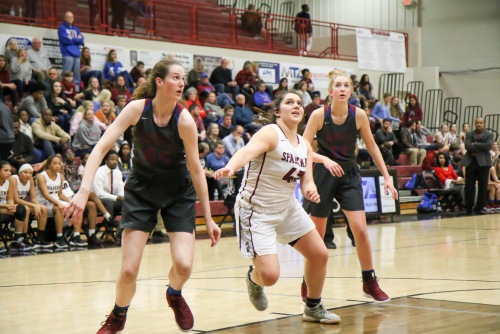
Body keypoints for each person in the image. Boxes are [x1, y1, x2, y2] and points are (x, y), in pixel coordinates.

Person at [63, 59, 221, 333]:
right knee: (128, 271)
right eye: (176, 77)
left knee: (183, 266)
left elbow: (196, 171)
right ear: (159, 81)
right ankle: (118, 315)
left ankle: (174, 294)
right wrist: (83, 190)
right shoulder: (137, 109)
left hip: (177, 192)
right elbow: (100, 148)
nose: (182, 83)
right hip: (141, 190)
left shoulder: (184, 120)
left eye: (183, 78)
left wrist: (208, 218)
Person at [214, 91, 340, 324]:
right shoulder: (270, 133)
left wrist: (310, 189)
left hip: (287, 208)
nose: (296, 106)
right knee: (270, 276)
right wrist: (231, 167)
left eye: (299, 103)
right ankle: (254, 279)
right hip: (256, 211)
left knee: (319, 254)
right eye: (289, 102)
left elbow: (307, 179)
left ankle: (312, 307)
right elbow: (246, 151)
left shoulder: (304, 144)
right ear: (277, 111)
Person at [302, 70, 398, 303]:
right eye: (338, 85)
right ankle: (306, 282)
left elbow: (373, 147)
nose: (342, 89)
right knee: (318, 236)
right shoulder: (318, 115)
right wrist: (309, 180)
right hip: (324, 174)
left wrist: (386, 176)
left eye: (346, 85)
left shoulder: (359, 115)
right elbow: (302, 147)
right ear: (330, 91)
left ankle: (369, 280)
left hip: (349, 174)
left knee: (361, 230)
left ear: (351, 91)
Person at [11, 163, 51, 248]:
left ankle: (39, 238)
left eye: (30, 173)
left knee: (43, 208)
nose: (28, 175)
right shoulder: (14, 179)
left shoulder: (30, 180)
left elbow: (33, 197)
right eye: (25, 172)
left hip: (22, 204)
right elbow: (16, 199)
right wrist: (34, 206)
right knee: (26, 209)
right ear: (19, 173)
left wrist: (36, 205)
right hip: (13, 204)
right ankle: (24, 238)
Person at [460, 117, 494, 215]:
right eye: (477, 123)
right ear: (475, 123)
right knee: (469, 186)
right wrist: (480, 145)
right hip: (471, 161)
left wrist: (475, 143)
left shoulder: (489, 134)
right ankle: (468, 207)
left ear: (484, 123)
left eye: (481, 123)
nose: (479, 124)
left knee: (483, 186)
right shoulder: (469, 134)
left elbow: (488, 146)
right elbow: (467, 146)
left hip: (484, 163)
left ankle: (480, 207)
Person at [0, 160, 32, 252]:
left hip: (3, 206)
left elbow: (10, 198)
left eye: (10, 171)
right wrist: (6, 206)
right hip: (2, 206)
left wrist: (10, 205)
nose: (8, 173)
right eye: (5, 170)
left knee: (21, 209)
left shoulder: (8, 181)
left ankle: (16, 239)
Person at [58, 11, 84, 90]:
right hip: (67, 54)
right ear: (65, 18)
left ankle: (76, 91)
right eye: (68, 17)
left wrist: (72, 39)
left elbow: (81, 40)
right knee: (66, 74)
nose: (70, 19)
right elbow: (65, 40)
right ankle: (64, 90)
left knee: (76, 75)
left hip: (76, 54)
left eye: (71, 17)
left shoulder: (76, 29)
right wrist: (76, 39)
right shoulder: (62, 28)